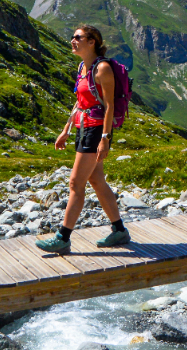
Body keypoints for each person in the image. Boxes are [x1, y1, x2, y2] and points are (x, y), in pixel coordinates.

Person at [35, 25, 130, 252]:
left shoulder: (102, 69)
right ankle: (119, 231)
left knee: (75, 183)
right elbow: (80, 102)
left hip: (96, 130)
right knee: (96, 180)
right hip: (82, 127)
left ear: (92, 41)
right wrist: (66, 129)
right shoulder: (83, 67)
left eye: (78, 37)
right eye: (72, 37)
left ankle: (63, 238)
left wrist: (105, 138)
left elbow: (109, 106)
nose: (73, 40)